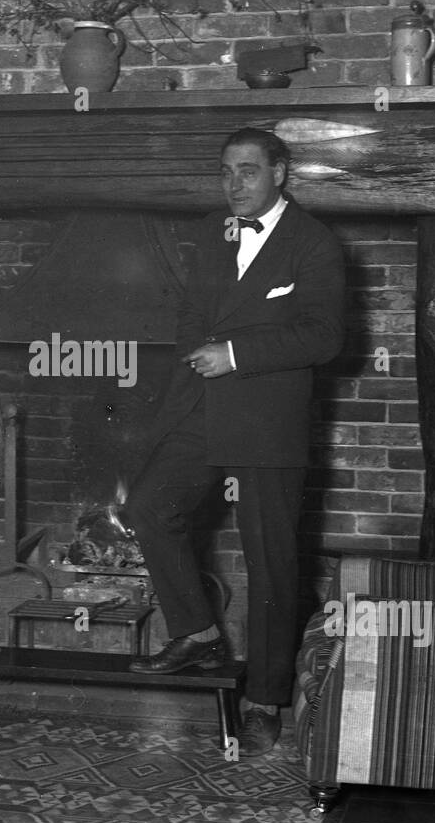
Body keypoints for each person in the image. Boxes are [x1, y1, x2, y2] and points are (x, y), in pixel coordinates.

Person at [124, 127, 345, 757]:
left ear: (280, 173)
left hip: (265, 424)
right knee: (148, 507)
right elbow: (192, 314)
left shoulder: (315, 244)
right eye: (225, 171)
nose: (234, 184)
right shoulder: (212, 232)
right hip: (199, 408)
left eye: (248, 171)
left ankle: (266, 697)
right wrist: (190, 366)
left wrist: (237, 354)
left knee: (270, 561)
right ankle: (196, 632)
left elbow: (324, 337)